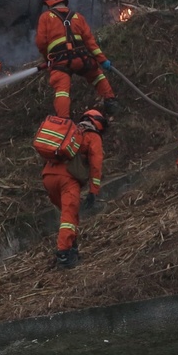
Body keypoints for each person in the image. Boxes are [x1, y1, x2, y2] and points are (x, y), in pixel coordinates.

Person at [38, 109, 107, 269]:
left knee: (69, 215)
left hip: (48, 177)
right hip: (67, 180)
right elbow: (96, 165)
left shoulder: (70, 132)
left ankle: (72, 248)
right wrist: (93, 191)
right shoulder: (93, 136)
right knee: (68, 218)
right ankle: (64, 254)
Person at [35, 0, 117, 119]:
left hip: (60, 62)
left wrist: (48, 59)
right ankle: (111, 102)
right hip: (82, 58)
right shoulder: (78, 17)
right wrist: (103, 60)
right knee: (97, 76)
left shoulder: (46, 17)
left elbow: (41, 43)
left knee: (62, 91)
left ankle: (64, 120)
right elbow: (90, 42)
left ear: (50, 1)